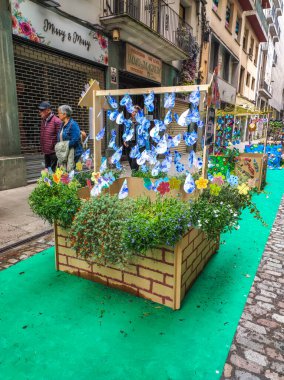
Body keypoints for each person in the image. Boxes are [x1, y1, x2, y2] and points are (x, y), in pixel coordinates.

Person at [39, 101, 61, 172]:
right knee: (47, 170)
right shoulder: (43, 121)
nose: (40, 112)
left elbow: (60, 137)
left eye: (42, 110)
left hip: (53, 152)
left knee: (54, 171)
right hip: (46, 151)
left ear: (48, 110)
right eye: (40, 110)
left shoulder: (57, 121)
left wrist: (56, 149)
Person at [123, 105, 141, 171]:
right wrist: (124, 140)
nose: (134, 113)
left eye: (136, 112)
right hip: (129, 143)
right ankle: (135, 174)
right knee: (130, 161)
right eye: (133, 112)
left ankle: (134, 175)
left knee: (135, 161)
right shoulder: (128, 121)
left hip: (137, 143)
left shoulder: (141, 122)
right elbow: (125, 132)